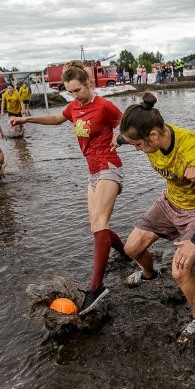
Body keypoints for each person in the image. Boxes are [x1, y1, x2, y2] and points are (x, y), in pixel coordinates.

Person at [116, 92, 195, 339]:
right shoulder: (148, 132)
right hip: (169, 201)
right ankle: (150, 274)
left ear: (153, 135)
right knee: (131, 249)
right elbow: (126, 135)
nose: (139, 151)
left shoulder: (192, 148)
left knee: (180, 271)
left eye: (138, 145)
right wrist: (118, 141)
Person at [9, 61, 127, 313]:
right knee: (96, 224)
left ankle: (96, 286)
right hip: (92, 172)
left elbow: (127, 122)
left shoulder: (104, 106)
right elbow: (56, 118)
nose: (75, 96)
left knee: (99, 224)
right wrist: (27, 118)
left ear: (89, 84)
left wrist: (121, 138)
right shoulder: (74, 106)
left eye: (78, 90)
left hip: (108, 164)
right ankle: (127, 253)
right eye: (70, 92)